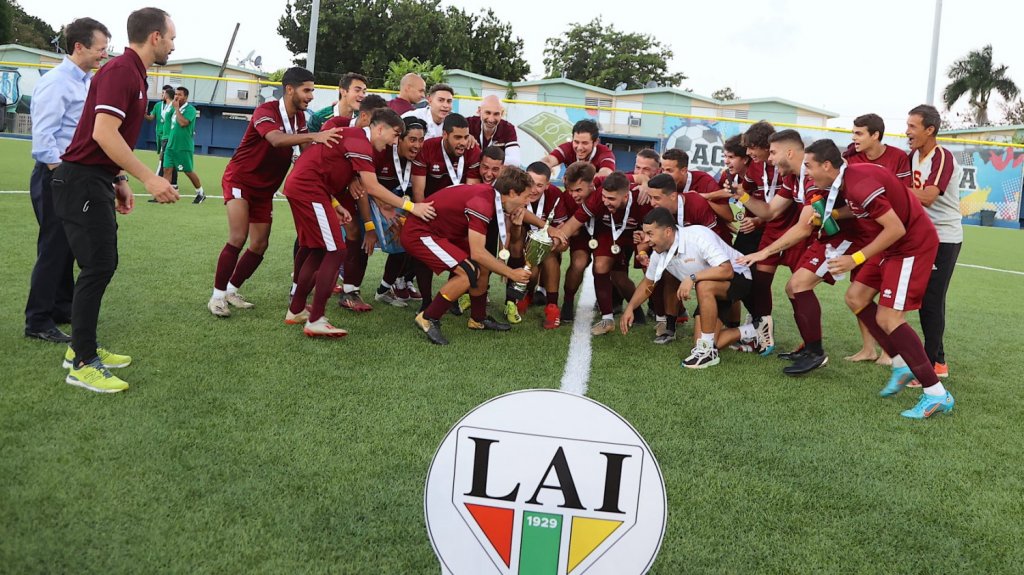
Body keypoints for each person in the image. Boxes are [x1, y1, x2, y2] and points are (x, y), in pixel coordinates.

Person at [52, 8, 179, 393]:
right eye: (172, 37)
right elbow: (104, 133)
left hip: (95, 179)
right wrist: (148, 177)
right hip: (80, 181)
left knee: (101, 264)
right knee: (98, 265)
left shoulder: (134, 73)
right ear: (154, 36)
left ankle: (81, 349)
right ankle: (82, 361)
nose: (174, 45)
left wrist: (120, 179)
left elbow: (108, 140)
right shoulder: (123, 70)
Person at [805, 139, 953, 419]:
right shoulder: (848, 179)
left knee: (889, 318)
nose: (807, 172)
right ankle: (900, 362)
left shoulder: (858, 182)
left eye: (809, 166)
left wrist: (856, 258)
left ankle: (936, 394)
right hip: (889, 245)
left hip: (910, 245)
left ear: (826, 165)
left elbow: (895, 228)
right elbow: (866, 208)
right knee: (856, 297)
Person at [208, 67, 342, 318]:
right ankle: (216, 298)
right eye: (307, 90)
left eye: (312, 90)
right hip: (240, 180)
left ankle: (231, 290)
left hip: (265, 189)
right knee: (238, 237)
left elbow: (303, 157)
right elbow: (276, 140)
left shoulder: (300, 120)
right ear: (289, 89)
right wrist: (317, 135)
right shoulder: (266, 111)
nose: (311, 96)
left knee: (259, 245)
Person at [736, 129, 862, 375]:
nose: (769, 159)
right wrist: (741, 195)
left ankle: (815, 352)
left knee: (800, 285)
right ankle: (809, 348)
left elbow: (804, 228)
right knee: (794, 287)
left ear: (789, 152)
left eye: (772, 152)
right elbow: (771, 212)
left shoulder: (812, 175)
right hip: (826, 236)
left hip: (844, 236)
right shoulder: (793, 177)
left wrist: (765, 252)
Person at [402, 167, 563, 345]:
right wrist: (511, 273)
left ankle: (478, 319)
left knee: (483, 267)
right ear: (511, 192)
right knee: (468, 272)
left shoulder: (492, 196)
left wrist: (546, 227)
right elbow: (478, 253)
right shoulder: (483, 202)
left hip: (441, 232)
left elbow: (522, 215)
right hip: (420, 233)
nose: (526, 203)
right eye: (525, 197)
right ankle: (428, 317)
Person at [25, 17, 111, 344]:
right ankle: (37, 320)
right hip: (56, 176)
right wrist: (62, 177)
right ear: (79, 46)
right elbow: (44, 139)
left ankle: (62, 307)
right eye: (100, 49)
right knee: (53, 248)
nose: (104, 54)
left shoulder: (86, 82)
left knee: (68, 248)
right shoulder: (58, 82)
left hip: (73, 175)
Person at [283, 108, 405, 336]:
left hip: (310, 188)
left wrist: (336, 204)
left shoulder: (354, 138)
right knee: (336, 251)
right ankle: (315, 319)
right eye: (395, 134)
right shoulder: (360, 141)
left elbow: (322, 166)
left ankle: (296, 309)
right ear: (380, 128)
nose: (395, 142)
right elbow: (371, 187)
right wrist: (410, 206)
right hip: (309, 190)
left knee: (318, 250)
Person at [621, 208, 753, 368]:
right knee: (702, 341)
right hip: (711, 290)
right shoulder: (659, 252)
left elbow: (727, 270)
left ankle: (707, 352)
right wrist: (630, 308)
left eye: (650, 234)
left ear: (668, 232)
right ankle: (755, 330)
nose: (646, 240)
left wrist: (692, 278)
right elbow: (648, 283)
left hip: (740, 278)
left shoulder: (698, 237)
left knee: (703, 285)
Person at [843, 113, 912, 363]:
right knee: (858, 294)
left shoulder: (898, 157)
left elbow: (904, 196)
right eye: (853, 132)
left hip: (890, 235)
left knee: (888, 294)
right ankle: (867, 348)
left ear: (876, 135)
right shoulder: (850, 156)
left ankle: (888, 352)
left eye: (859, 133)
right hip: (862, 236)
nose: (854, 137)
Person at [906, 104, 963, 380]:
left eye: (913, 127)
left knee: (931, 301)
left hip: (944, 238)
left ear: (930, 130)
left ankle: (928, 367)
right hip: (923, 237)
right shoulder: (912, 156)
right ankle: (937, 361)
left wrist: (892, 187)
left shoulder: (942, 157)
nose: (907, 132)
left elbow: (928, 196)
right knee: (925, 300)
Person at [556, 171, 650, 335]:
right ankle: (607, 319)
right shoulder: (599, 196)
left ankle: (652, 315)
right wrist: (556, 239)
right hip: (609, 234)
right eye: (604, 197)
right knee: (600, 266)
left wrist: (644, 244)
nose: (605, 201)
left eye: (611, 199)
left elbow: (656, 227)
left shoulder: (643, 199)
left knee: (627, 276)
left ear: (626, 197)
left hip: (636, 236)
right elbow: (572, 224)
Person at [372, 116, 428, 306]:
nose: (418, 145)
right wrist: (380, 204)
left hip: (399, 203)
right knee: (358, 242)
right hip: (369, 200)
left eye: (421, 140)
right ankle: (350, 288)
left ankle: (385, 289)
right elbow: (364, 181)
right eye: (412, 139)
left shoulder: (420, 155)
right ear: (399, 139)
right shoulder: (383, 151)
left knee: (405, 242)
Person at [410, 113, 481, 200]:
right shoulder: (427, 148)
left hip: (459, 206)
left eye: (466, 137)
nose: (463, 143)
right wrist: (424, 213)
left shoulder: (472, 150)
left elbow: (471, 193)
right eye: (458, 137)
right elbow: (418, 193)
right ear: (445, 134)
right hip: (430, 206)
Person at [162, 86, 205, 203]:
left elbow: (183, 123)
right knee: (167, 169)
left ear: (186, 97)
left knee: (188, 170)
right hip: (171, 145)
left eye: (180, 94)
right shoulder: (173, 108)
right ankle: (165, 195)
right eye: (176, 94)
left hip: (183, 146)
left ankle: (200, 192)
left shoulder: (190, 109)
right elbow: (166, 122)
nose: (176, 96)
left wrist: (176, 109)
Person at [542, 119, 616, 177]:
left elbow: (606, 173)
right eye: (576, 142)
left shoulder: (605, 152)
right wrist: (544, 165)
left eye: (585, 143)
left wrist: (577, 179)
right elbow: (548, 160)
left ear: (596, 142)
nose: (579, 147)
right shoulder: (567, 147)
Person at [467, 95, 520, 166]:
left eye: (496, 114)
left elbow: (515, 162)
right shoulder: (468, 124)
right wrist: (465, 136)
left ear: (502, 113)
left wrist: (481, 156)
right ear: (479, 111)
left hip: (495, 175)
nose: (491, 119)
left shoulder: (508, 128)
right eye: (488, 113)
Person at [145, 85, 174, 176]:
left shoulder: (173, 106)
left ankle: (159, 175)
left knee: (164, 157)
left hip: (168, 135)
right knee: (164, 156)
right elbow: (151, 118)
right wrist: (143, 114)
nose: (162, 94)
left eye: (163, 93)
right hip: (159, 134)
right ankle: (171, 179)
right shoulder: (158, 105)